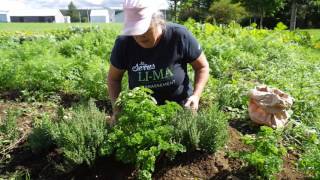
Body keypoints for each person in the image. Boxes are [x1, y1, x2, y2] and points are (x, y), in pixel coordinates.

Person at [107, 0, 209, 124]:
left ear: (157, 20)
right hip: (142, 114)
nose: (139, 36)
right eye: (134, 30)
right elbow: (113, 79)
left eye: (144, 29)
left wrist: (196, 96)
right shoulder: (124, 43)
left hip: (181, 111)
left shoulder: (179, 35)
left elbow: (202, 67)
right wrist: (117, 110)